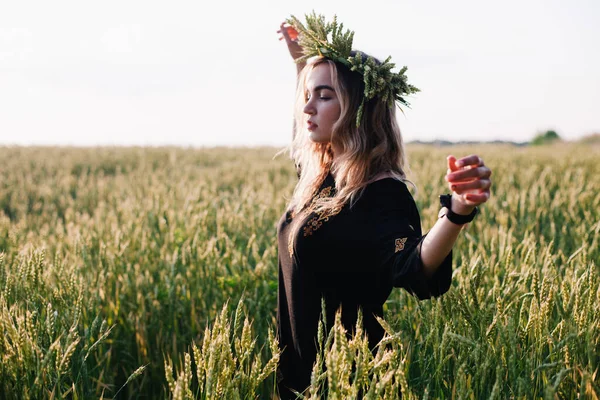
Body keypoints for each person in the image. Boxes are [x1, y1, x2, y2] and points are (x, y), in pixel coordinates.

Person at [275, 14, 492, 399]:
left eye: (324, 96)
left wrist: (457, 211)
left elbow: (415, 264)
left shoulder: (380, 192)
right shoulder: (322, 177)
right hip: (303, 383)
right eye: (306, 96)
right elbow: (303, 135)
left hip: (348, 381)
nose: (307, 108)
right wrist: (301, 66)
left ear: (360, 109)